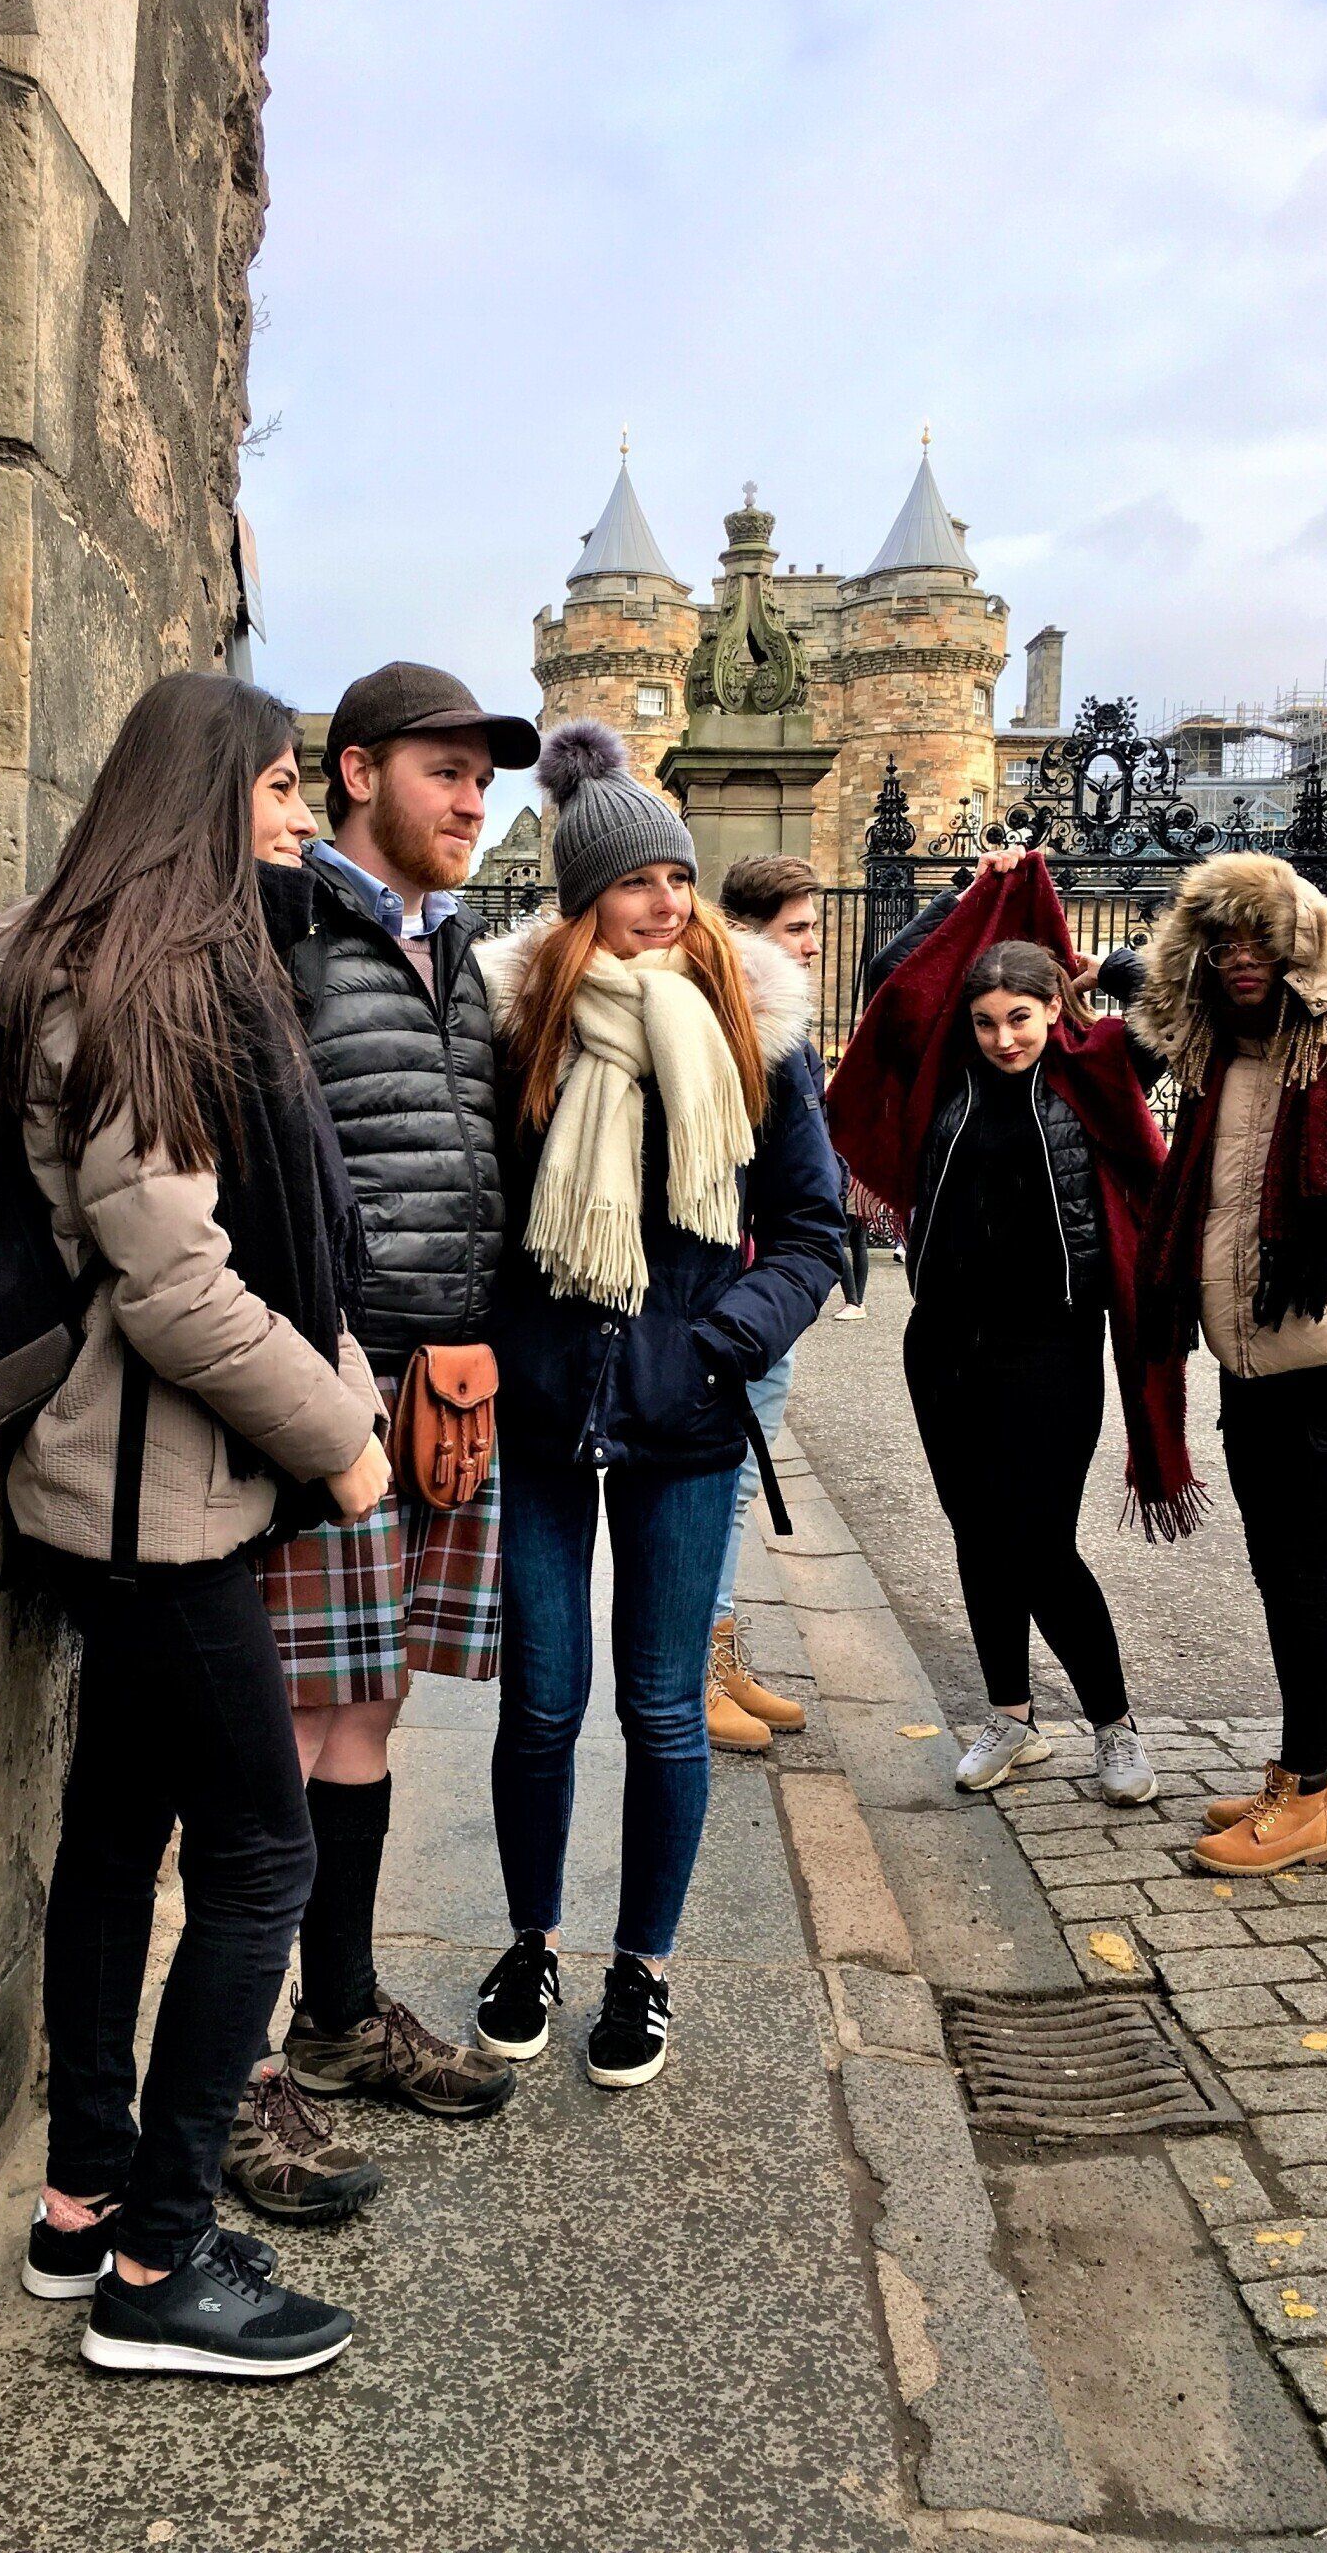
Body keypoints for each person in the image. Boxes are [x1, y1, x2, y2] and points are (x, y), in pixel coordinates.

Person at [0, 672, 392, 2379]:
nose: (296, 814)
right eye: (283, 785)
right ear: (206, 793)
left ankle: (84, 2203)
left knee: (114, 1833)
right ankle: (161, 2266)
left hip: (135, 1489)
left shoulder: (112, 969)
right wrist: (347, 1436)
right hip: (156, 1501)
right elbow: (180, 1292)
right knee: (266, 1853)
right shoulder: (150, 991)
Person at [472, 722, 844, 2089]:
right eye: (640, 882)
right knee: (541, 1704)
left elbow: (813, 1230)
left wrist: (722, 1339)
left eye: (680, 879)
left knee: (665, 1708)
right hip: (548, 1410)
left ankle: (646, 1965)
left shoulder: (759, 1032)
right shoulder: (522, 1029)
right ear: (585, 900)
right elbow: (477, 1222)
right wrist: (492, 1343)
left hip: (685, 1415)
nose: (669, 902)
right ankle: (531, 1939)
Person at [223, 661, 540, 2225]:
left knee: (369, 1712)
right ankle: (232, 2077)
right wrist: (316, 1377)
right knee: (284, 1725)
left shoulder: (458, 955)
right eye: (446, 771)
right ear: (356, 773)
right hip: (331, 1387)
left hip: (446, 1396)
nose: (475, 800)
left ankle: (337, 2018)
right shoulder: (287, 936)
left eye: (488, 778)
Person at [828, 847, 1202, 1808]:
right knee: (973, 1533)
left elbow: (1177, 989)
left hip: (1052, 1343)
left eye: (1020, 1019)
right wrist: (966, 893)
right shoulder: (943, 1075)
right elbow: (889, 981)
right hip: (945, 1341)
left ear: (1052, 1012)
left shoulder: (1099, 1067)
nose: (1002, 1038)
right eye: (988, 1021)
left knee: (1039, 1540)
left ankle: (1115, 1727)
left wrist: (1099, 971)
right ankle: (1010, 1718)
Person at [1122, 854, 1327, 1875]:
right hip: (1246, 1357)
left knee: (1299, 1569)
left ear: (1301, 944)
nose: (1242, 958)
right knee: (1280, 1572)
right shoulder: (1212, 1063)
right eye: (1222, 940)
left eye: (1260, 937)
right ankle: (1324, 1778)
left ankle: (1303, 1789)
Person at [704, 855, 831, 1751]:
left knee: (739, 1489)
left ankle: (719, 1651)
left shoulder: (786, 1026)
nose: (814, 944)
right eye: (797, 929)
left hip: (762, 1299)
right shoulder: (739, 1030)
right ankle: (698, 1668)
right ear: (747, 935)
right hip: (732, 1301)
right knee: (723, 1484)